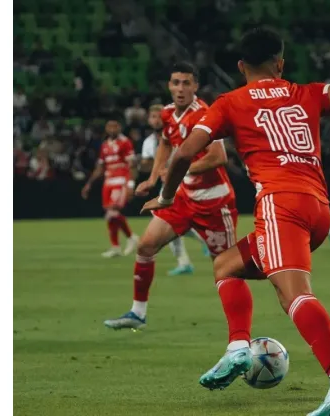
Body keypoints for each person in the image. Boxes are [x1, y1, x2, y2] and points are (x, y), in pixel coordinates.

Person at [142, 28, 330, 416]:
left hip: (279, 205)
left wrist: (167, 196)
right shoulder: (309, 92)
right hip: (318, 207)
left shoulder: (229, 102)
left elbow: (184, 153)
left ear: (241, 67)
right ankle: (238, 347)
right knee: (226, 265)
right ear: (281, 63)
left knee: (293, 294)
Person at [103, 62, 248, 331]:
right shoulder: (169, 113)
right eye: (175, 83)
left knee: (227, 269)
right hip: (183, 197)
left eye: (186, 83)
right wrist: (153, 176)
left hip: (215, 203)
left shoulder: (206, 115)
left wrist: (177, 169)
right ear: (169, 86)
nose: (180, 89)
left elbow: (218, 158)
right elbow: (166, 143)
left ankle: (240, 334)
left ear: (196, 86)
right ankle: (138, 313)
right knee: (146, 246)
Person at [140, 104, 200, 276]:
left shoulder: (180, 132)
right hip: (168, 184)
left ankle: (197, 247)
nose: (156, 120)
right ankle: (187, 258)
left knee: (168, 219)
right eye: (152, 117)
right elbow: (147, 164)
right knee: (168, 219)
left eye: (158, 116)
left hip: (186, 181)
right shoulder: (149, 142)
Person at [81, 120, 139, 257]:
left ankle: (131, 237)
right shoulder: (105, 145)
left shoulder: (125, 142)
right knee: (111, 216)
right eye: (109, 127)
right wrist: (89, 184)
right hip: (108, 182)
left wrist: (131, 184)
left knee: (112, 213)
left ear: (119, 128)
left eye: (115, 126)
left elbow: (132, 165)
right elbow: (100, 167)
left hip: (120, 181)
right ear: (106, 129)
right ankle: (116, 247)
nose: (112, 129)